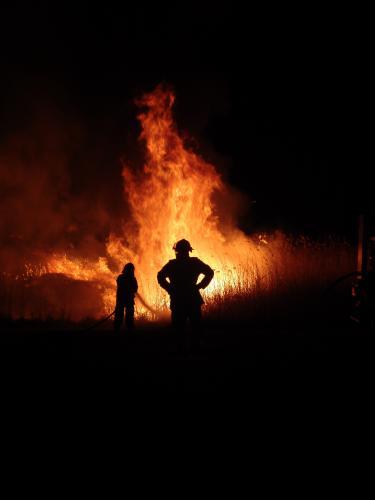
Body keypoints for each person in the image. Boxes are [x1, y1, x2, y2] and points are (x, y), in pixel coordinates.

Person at [157, 239, 214, 347]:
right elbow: (210, 272)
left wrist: (170, 289)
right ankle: (195, 349)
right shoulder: (195, 262)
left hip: (177, 299)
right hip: (192, 298)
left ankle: (180, 350)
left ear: (176, 251)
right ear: (189, 250)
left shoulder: (172, 264)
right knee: (196, 327)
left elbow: (160, 276)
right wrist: (200, 285)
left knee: (178, 329)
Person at [114, 263, 138, 332]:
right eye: (131, 270)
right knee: (119, 317)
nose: (132, 271)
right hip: (122, 300)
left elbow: (135, 288)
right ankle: (117, 329)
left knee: (129, 317)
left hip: (127, 300)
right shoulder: (121, 278)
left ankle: (129, 329)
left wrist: (132, 289)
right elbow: (122, 287)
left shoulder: (131, 278)